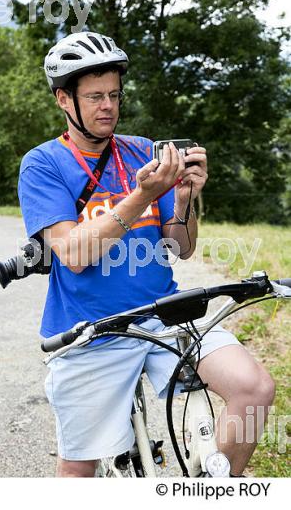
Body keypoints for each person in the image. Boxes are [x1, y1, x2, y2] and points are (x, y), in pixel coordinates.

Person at [18, 32, 275, 477]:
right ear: (64, 99)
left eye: (114, 95)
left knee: (254, 388)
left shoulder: (141, 149)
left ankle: (216, 491)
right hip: (90, 331)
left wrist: (185, 198)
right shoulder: (43, 164)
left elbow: (180, 245)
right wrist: (140, 196)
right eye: (95, 96)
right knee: (77, 472)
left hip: (164, 315)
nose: (108, 107)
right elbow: (74, 254)